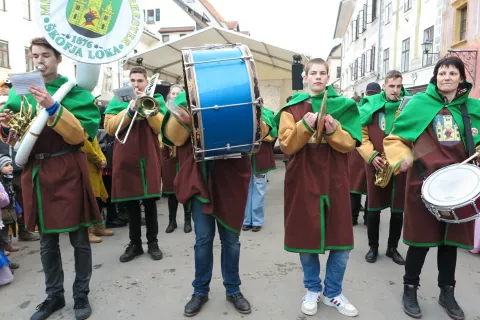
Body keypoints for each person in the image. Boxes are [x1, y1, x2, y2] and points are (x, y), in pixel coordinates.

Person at [0, 37, 102, 320]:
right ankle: (53, 296)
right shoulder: (20, 91)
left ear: (59, 58)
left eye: (46, 55)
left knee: (79, 238)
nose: (39, 60)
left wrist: (53, 107)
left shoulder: (76, 92)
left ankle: (81, 296)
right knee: (47, 242)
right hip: (37, 171)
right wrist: (6, 125)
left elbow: (81, 135)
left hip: (68, 167)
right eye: (35, 55)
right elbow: (15, 137)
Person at [161, 91, 274, 317]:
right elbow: (174, 138)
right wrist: (185, 119)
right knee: (203, 240)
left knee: (231, 241)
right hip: (200, 178)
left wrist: (254, 112)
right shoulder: (186, 97)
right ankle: (200, 291)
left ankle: (233, 290)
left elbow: (262, 134)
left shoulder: (243, 93)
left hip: (231, 179)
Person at [384, 56, 480, 320]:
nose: (446, 77)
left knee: (450, 243)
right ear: (435, 77)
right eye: (442, 73)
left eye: (452, 73)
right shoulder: (419, 103)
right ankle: (410, 288)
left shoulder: (473, 108)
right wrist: (400, 157)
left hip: (459, 189)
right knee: (420, 242)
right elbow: (395, 138)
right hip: (423, 184)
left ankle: (447, 292)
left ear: (461, 78)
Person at [276, 58, 360, 317]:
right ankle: (312, 289)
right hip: (303, 180)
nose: (319, 78)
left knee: (342, 241)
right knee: (306, 239)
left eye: (323, 73)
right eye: (313, 73)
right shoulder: (291, 109)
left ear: (328, 77)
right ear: (305, 77)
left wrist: (334, 131)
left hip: (335, 180)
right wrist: (305, 125)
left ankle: (333, 293)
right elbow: (287, 146)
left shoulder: (345, 106)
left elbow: (349, 145)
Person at [104, 66, 165, 262]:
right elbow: (110, 128)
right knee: (131, 202)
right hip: (126, 153)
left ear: (147, 82)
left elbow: (161, 127)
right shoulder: (118, 99)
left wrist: (146, 108)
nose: (136, 84)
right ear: (128, 82)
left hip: (148, 153)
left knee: (150, 201)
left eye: (140, 81)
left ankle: (153, 243)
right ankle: (135, 244)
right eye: (133, 81)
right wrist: (130, 109)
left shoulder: (157, 99)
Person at [357, 72, 408, 265]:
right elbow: (361, 136)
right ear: (384, 86)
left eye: (398, 87)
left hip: (399, 164)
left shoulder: (407, 107)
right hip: (376, 162)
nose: (395, 90)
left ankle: (392, 248)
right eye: (392, 86)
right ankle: (373, 247)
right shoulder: (370, 105)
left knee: (398, 209)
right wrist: (371, 156)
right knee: (373, 207)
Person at [348, 84, 382, 226]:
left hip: (357, 151)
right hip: (371, 151)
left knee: (355, 187)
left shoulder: (359, 109)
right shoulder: (380, 108)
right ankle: (368, 217)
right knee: (370, 187)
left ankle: (353, 217)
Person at [162, 84, 192, 234]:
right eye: (172, 93)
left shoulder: (187, 109)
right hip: (169, 155)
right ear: (169, 96)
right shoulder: (164, 110)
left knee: (185, 187)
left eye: (178, 93)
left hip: (183, 153)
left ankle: (187, 220)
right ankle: (172, 221)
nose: (175, 96)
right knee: (170, 190)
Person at [242, 107, 277, 232]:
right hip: (244, 157)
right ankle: (246, 220)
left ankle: (256, 221)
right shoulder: (242, 111)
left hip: (260, 157)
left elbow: (272, 134)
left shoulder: (267, 113)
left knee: (259, 187)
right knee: (245, 187)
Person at [81, 137, 114, 243]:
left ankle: (98, 227)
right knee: (88, 201)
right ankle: (87, 231)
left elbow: (96, 146)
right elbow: (87, 148)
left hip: (95, 169)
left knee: (97, 199)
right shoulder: (81, 127)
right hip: (86, 167)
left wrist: (102, 159)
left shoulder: (91, 129)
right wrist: (99, 160)